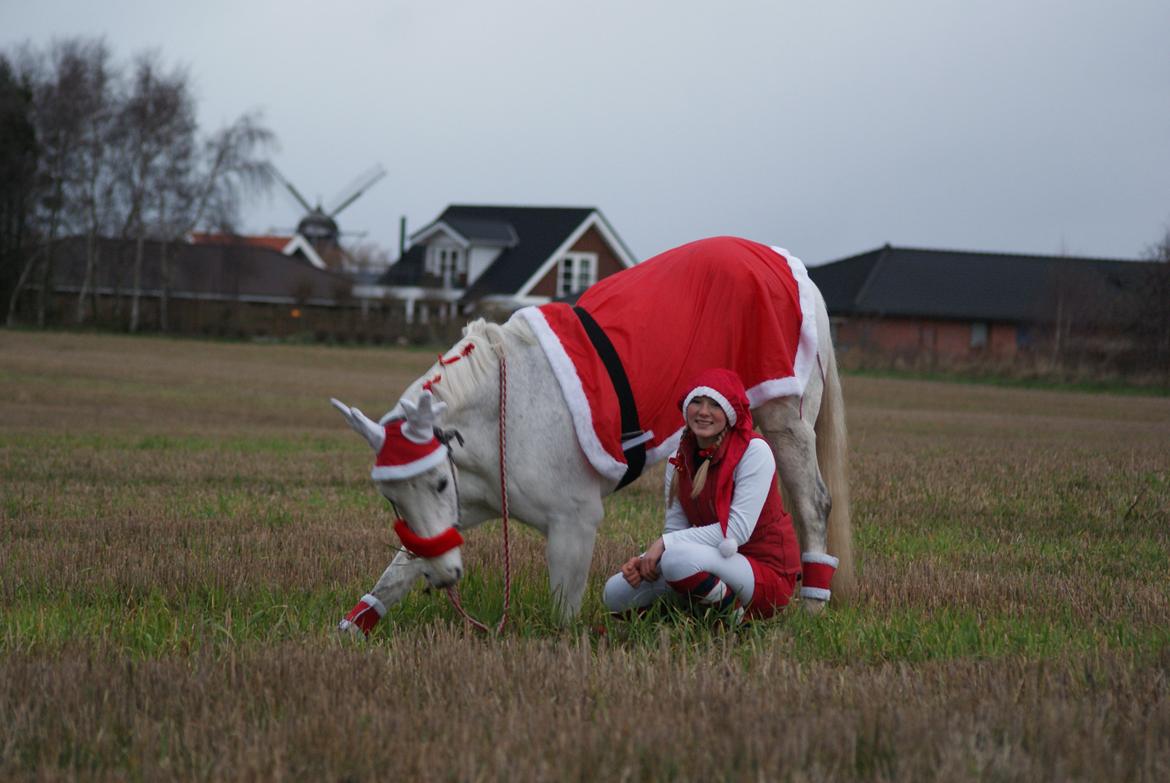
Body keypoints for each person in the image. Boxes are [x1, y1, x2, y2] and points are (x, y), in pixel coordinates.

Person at [602, 368, 802, 622]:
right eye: (696, 402)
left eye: (715, 405)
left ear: (729, 413)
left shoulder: (755, 450)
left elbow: (736, 532)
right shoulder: (679, 455)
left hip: (765, 574)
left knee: (676, 560)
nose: (703, 412)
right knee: (615, 593)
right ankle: (688, 616)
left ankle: (734, 620)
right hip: (711, 561)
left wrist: (663, 545)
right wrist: (644, 562)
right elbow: (676, 528)